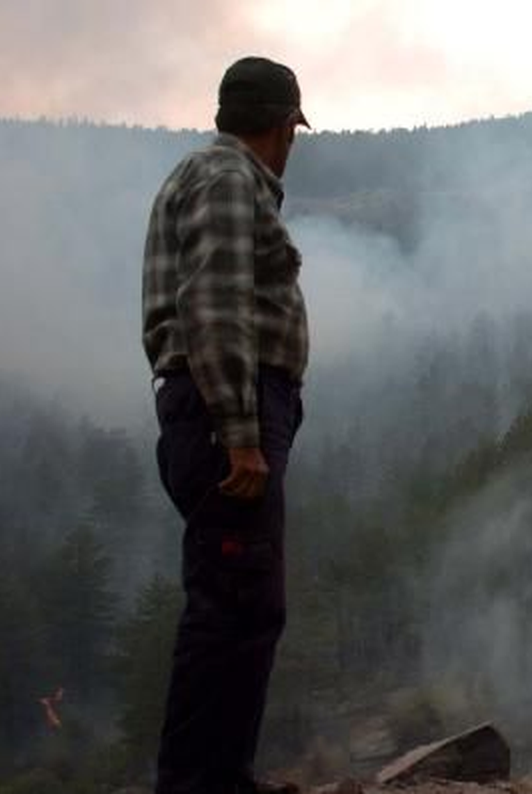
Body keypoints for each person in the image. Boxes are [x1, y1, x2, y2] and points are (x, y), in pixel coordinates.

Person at [142, 56, 310, 794]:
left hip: (209, 408)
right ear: (282, 127)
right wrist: (240, 432)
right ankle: (197, 782)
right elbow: (214, 305)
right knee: (231, 604)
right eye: (292, 130)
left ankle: (221, 777)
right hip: (225, 414)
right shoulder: (230, 180)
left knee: (243, 602)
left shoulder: (197, 175)